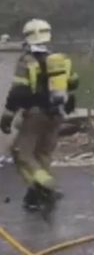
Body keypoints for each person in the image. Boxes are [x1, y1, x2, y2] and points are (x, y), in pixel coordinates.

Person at [0, 19, 78, 211]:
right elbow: (74, 83)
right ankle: (38, 193)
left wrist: (7, 116)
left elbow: (19, 91)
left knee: (20, 153)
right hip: (56, 115)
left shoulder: (27, 61)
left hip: (35, 115)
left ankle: (46, 184)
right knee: (42, 153)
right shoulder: (59, 60)